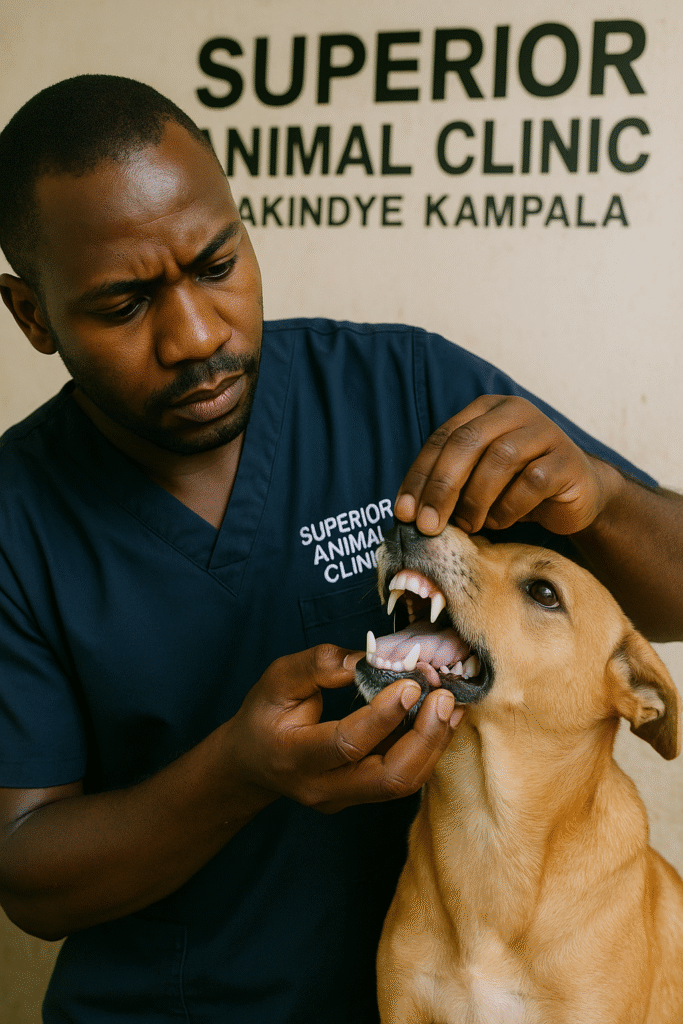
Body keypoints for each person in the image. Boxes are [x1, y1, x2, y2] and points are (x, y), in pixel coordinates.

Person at [0, 75, 680, 1024]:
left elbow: (662, 606)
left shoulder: (398, 383)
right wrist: (234, 774)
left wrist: (599, 498)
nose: (196, 334)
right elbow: (29, 876)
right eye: (122, 305)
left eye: (216, 262)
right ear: (33, 316)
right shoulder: (16, 517)